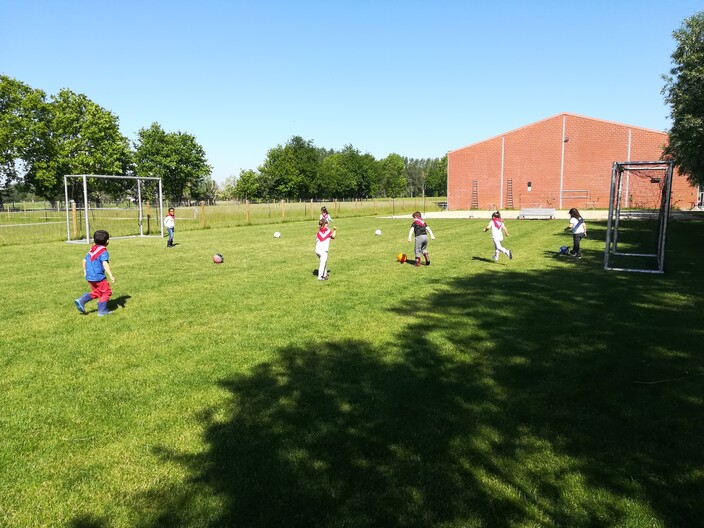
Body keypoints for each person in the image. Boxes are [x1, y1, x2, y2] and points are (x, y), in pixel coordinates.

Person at [74, 229, 116, 316]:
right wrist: (111, 275)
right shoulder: (103, 251)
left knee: (98, 292)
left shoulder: (92, 250)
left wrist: (85, 272)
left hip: (89, 276)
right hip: (98, 277)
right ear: (107, 241)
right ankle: (102, 311)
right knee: (107, 292)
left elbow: (84, 260)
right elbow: (104, 263)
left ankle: (81, 300)